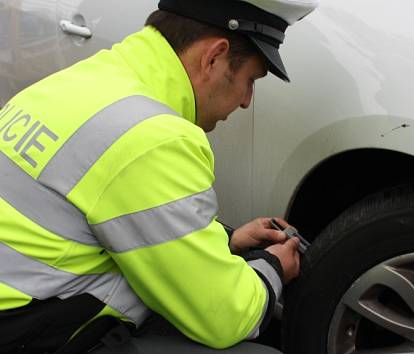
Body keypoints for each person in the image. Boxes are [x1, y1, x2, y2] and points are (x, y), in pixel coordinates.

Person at [0, 0, 318, 353]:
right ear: (214, 57)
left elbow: (117, 214)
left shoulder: (90, 79)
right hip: (24, 332)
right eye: (249, 81)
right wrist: (274, 265)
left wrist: (224, 243)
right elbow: (225, 316)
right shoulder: (153, 136)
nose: (246, 100)